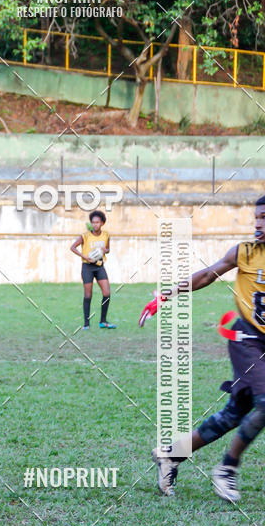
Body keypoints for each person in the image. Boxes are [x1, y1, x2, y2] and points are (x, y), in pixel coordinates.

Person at [142, 196, 265, 503]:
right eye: (257, 217)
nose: (258, 224)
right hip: (247, 338)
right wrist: (166, 295)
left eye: (264, 217)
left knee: (235, 413)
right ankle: (227, 469)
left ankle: (172, 455)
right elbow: (209, 274)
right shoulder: (245, 252)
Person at [70, 210, 116, 329]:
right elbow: (72, 247)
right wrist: (84, 256)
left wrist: (104, 250)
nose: (95, 224)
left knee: (107, 293)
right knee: (88, 295)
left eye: (98, 222)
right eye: (93, 222)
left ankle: (103, 321)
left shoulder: (106, 235)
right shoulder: (85, 236)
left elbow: (108, 249)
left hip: (99, 266)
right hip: (87, 267)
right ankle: (86, 324)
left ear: (102, 223)